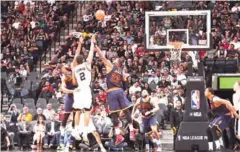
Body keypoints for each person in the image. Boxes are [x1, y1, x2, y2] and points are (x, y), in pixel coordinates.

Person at [95, 44, 137, 145]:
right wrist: (124, 91)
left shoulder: (111, 66)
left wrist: (96, 46)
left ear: (117, 63)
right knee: (126, 111)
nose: (114, 60)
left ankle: (118, 134)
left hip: (112, 92)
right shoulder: (121, 71)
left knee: (114, 114)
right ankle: (131, 130)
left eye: (115, 59)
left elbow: (102, 56)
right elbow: (126, 84)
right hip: (120, 91)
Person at [71, 35, 95, 141]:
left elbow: (76, 54)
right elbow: (91, 53)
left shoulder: (75, 68)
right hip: (85, 90)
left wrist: (80, 43)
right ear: (83, 59)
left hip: (78, 90)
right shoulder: (87, 64)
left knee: (77, 111)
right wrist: (92, 43)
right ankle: (84, 132)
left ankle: (76, 130)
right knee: (87, 111)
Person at [233, 80, 240, 150]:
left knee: (237, 134)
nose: (233, 86)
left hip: (238, 114)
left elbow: (236, 107)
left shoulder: (236, 95)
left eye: (234, 84)